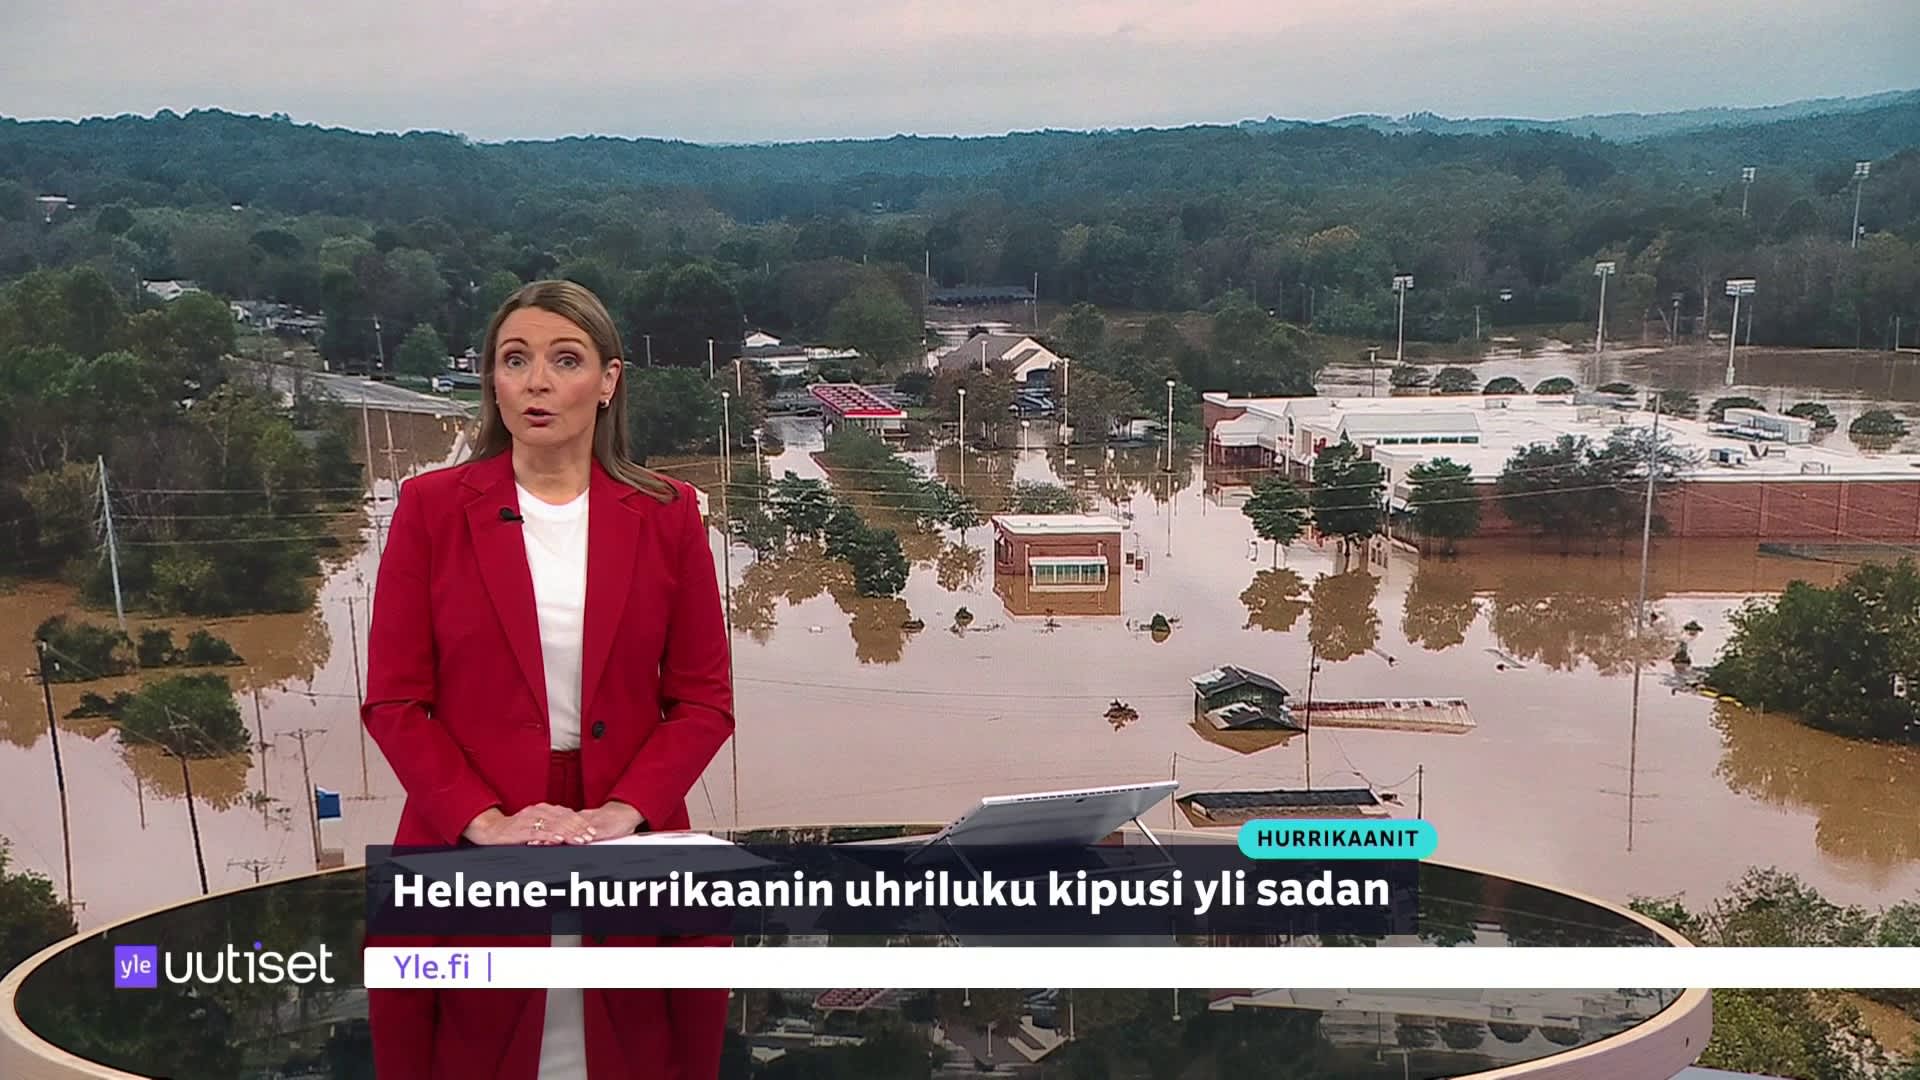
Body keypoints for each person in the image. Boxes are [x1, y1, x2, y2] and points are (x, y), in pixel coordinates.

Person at [362, 280, 734, 1079]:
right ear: (492, 382)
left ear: (607, 381)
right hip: (466, 833)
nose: (536, 382)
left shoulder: (669, 512)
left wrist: (623, 812)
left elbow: (702, 700)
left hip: (632, 834)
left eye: (565, 360)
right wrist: (485, 822)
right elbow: (395, 700)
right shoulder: (430, 508)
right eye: (515, 360)